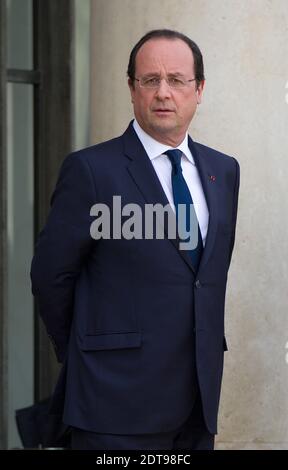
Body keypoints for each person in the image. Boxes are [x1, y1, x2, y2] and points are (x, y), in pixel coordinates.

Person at [31, 29, 240, 450]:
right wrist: (88, 351)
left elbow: (202, 277)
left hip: (198, 401)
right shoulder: (92, 171)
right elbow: (50, 275)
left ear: (198, 89)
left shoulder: (224, 171)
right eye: (150, 80)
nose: (164, 93)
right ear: (131, 88)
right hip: (114, 404)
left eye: (177, 80)